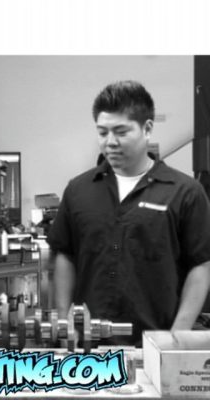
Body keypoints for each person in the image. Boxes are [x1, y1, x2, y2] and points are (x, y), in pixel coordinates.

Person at [48, 80, 210, 346]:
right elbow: (65, 254)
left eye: (121, 132)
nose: (110, 142)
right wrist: (65, 320)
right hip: (89, 347)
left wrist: (177, 336)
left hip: (155, 344)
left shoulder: (186, 193)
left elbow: (201, 264)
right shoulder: (78, 190)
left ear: (147, 129)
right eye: (103, 132)